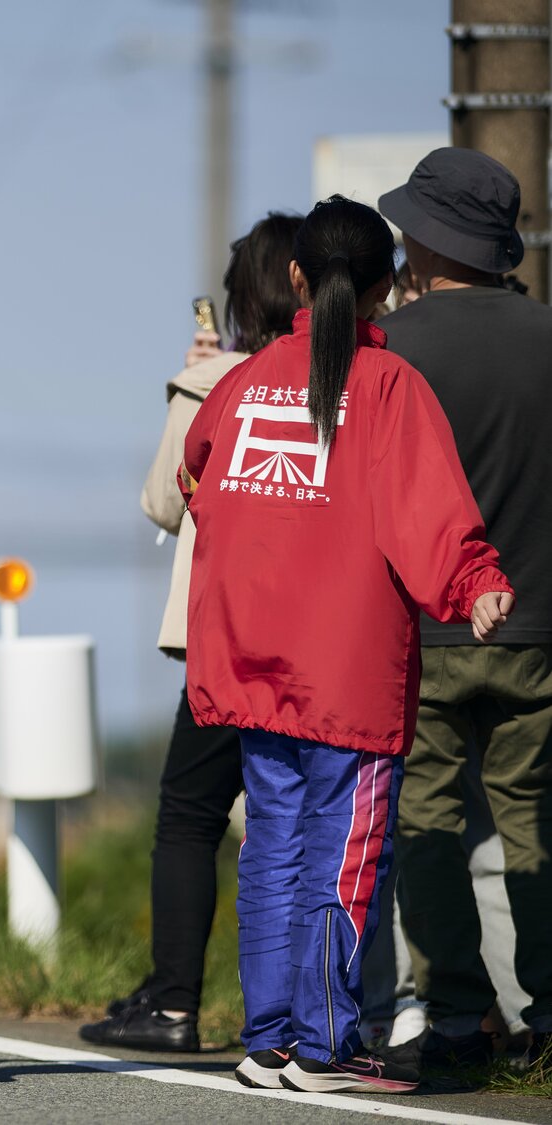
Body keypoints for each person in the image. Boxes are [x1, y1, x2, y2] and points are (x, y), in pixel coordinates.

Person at [181, 196, 514, 1095]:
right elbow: (431, 517)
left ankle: (271, 1039)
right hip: (347, 664)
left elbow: (195, 474)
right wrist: (476, 583)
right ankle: (326, 1043)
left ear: (295, 277)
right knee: (349, 848)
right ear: (388, 288)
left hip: (252, 656)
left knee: (275, 847)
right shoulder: (391, 386)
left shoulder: (243, 382)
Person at [81, 212, 301, 1052]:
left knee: (189, 816)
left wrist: (191, 386)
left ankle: (174, 1002)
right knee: (307, 817)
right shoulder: (354, 379)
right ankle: (319, 1011)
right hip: (324, 642)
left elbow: (164, 502)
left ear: (246, 298)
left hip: (227, 641)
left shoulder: (219, 383)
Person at [378, 148, 552, 1070]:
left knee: (428, 818)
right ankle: (549, 1015)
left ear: (424, 241)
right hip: (539, 629)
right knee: (536, 817)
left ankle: (457, 1014)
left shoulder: (393, 351)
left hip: (427, 629)